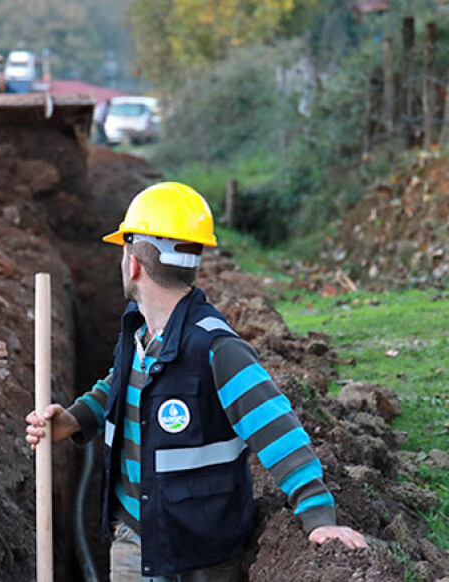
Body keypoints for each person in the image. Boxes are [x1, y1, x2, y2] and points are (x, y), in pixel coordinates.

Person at [25, 182, 368, 581]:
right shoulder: (139, 333)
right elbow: (118, 383)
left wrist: (317, 515)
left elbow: (278, 429)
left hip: (204, 556)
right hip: (135, 539)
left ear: (134, 262)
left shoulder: (215, 349)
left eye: (123, 251)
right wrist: (76, 418)